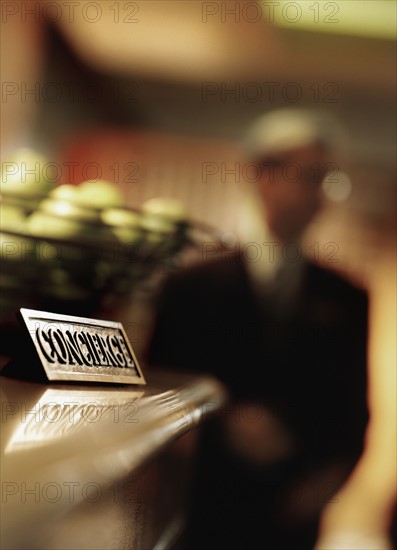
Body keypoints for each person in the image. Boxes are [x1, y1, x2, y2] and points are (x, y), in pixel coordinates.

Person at [145, 108, 369, 549]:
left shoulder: (347, 297)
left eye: (328, 181)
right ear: (263, 175)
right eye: (308, 176)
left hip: (293, 514)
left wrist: (324, 486)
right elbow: (157, 388)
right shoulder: (189, 284)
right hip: (198, 506)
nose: (319, 195)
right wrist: (225, 416)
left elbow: (355, 410)